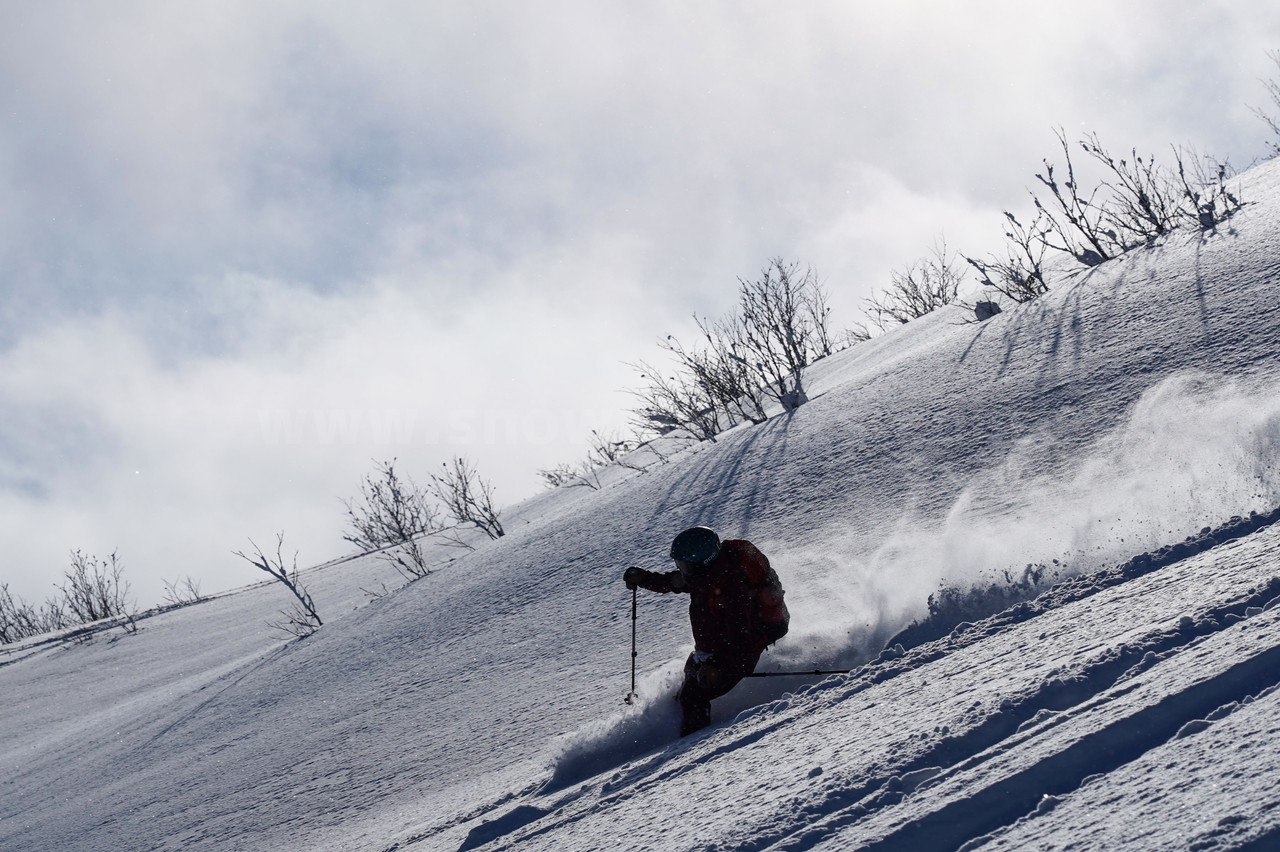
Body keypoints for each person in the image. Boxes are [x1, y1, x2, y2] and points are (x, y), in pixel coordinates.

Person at [624, 527, 789, 736]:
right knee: (689, 678)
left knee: (694, 696)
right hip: (710, 651)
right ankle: (680, 728)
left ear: (701, 561)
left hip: (737, 654)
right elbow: (673, 582)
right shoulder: (707, 575)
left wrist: (718, 666)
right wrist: (645, 579)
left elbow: (741, 638)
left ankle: (691, 747)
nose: (680, 568)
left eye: (684, 564)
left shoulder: (731, 589)